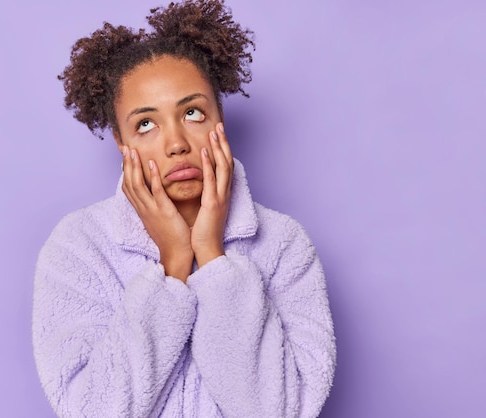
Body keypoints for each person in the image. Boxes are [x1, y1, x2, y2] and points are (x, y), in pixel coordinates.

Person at [32, 0, 336, 417]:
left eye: (192, 113)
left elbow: (278, 412)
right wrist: (173, 265)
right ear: (123, 147)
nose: (176, 143)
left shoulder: (284, 245)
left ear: (219, 122)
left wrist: (212, 260)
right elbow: (94, 411)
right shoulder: (78, 247)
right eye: (145, 124)